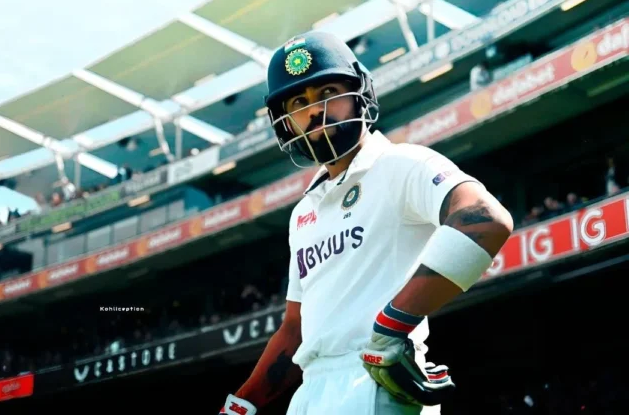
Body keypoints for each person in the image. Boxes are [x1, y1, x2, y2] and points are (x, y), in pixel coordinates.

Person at [217, 31, 513, 415]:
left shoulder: (401, 164)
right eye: (299, 102)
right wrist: (244, 402)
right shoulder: (303, 212)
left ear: (359, 93)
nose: (315, 112)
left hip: (378, 384)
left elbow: (484, 220)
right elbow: (296, 329)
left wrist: (392, 326)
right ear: (286, 122)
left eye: (327, 94)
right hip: (310, 395)